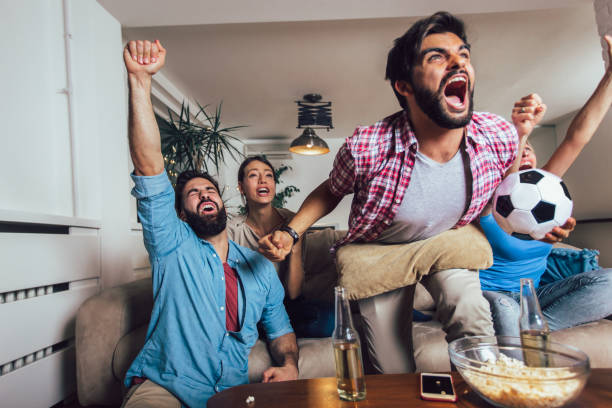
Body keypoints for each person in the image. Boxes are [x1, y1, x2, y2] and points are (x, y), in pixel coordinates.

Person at [259, 11, 572, 373]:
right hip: (380, 254)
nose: (458, 62)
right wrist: (290, 231)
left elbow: (507, 197)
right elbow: (331, 190)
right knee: (390, 367)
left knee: (472, 321)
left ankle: (487, 389)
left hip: (449, 241)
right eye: (437, 57)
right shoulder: (368, 147)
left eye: (464, 54)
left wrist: (535, 227)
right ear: (404, 86)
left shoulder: (497, 135)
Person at [121, 39, 298, 408]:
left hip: (228, 395)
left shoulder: (260, 269)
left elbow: (281, 331)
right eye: (192, 193)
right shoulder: (172, 244)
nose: (204, 195)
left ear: (223, 201)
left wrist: (290, 364)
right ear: (182, 213)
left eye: (209, 189)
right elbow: (149, 168)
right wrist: (140, 82)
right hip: (164, 388)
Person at [480, 35, 612, 337]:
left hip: (533, 298)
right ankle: (524, 339)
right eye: (518, 151)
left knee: (610, 282)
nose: (525, 152)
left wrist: (610, 76)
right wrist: (520, 134)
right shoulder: (488, 201)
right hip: (490, 298)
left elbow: (577, 138)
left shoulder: (548, 190)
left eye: (529, 150)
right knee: (505, 309)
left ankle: (534, 333)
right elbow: (509, 186)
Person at [227, 156, 334, 337]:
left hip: (290, 307)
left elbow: (294, 293)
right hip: (253, 309)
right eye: (253, 175)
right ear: (241, 187)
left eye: (269, 176)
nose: (263, 180)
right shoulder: (230, 231)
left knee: (331, 319)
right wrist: (262, 257)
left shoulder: (295, 223)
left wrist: (294, 244)